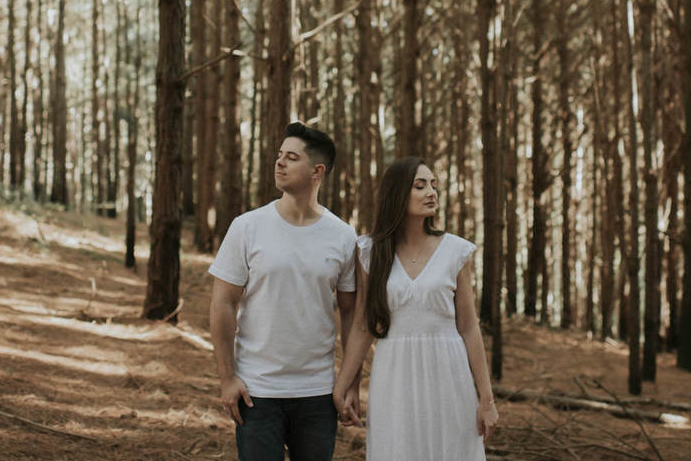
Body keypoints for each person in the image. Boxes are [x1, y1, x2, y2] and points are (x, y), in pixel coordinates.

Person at [208, 122, 358, 461]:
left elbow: (351, 314)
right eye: (279, 155)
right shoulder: (247, 227)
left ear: (317, 171)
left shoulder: (343, 236)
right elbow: (222, 304)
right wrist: (227, 377)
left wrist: (350, 383)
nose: (280, 163)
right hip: (256, 392)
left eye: (291, 157)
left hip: (318, 394)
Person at [332, 156, 498, 461]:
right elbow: (362, 325)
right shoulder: (371, 251)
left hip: (449, 374)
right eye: (420, 186)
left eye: (433, 184)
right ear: (397, 194)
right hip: (394, 375)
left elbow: (468, 327)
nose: (431, 192)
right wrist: (341, 387)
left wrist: (486, 399)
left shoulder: (455, 251)